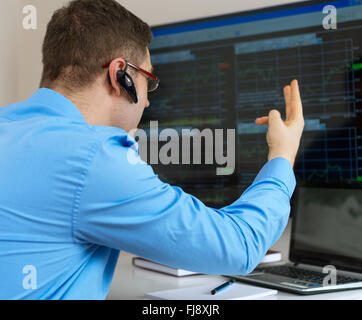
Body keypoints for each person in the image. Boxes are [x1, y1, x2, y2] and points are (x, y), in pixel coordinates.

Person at [0, 0, 304, 299]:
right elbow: (239, 246)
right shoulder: (93, 158)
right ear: (120, 75)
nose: (146, 101)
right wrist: (282, 156)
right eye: (149, 80)